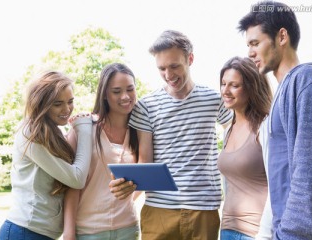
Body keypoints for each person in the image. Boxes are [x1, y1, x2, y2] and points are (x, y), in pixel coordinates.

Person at [238, 1, 312, 239]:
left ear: (281, 37)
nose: (250, 52)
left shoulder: (309, 81)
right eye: (248, 45)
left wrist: (289, 235)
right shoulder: (283, 94)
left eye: (255, 43)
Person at [110, 30, 232, 240]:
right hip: (159, 209)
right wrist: (126, 185)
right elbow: (145, 162)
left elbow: (238, 134)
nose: (168, 75)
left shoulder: (215, 99)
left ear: (190, 59)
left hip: (204, 209)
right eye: (162, 68)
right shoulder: (146, 106)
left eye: (174, 66)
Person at [0, 71, 92, 240]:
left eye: (70, 102)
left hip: (39, 233)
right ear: (42, 104)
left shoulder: (54, 133)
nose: (67, 109)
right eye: (58, 104)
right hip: (24, 232)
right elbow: (76, 178)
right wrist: (84, 129)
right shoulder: (30, 133)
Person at [63, 63, 139, 240]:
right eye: (116, 91)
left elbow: (143, 175)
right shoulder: (83, 128)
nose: (125, 96)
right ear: (105, 94)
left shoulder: (141, 130)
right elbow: (71, 185)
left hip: (128, 228)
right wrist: (68, 233)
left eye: (130, 89)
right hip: (88, 230)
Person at [218, 56, 272, 240]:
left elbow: (279, 184)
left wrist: (265, 235)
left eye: (234, 85)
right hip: (227, 229)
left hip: (256, 232)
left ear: (251, 88)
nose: (225, 91)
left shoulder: (265, 128)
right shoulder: (228, 131)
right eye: (223, 83)